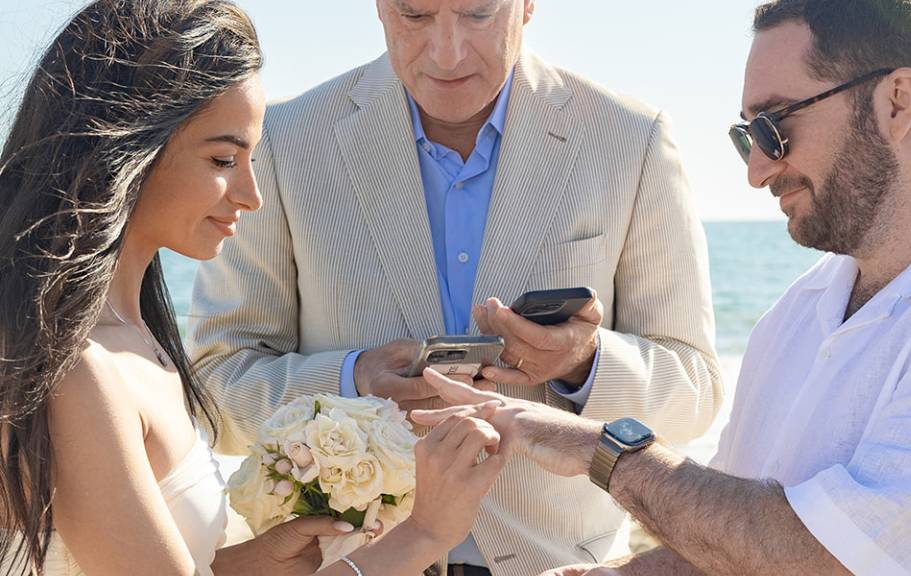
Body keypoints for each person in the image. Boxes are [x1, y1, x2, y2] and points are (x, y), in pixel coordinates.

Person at [412, 0, 911, 574]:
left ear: (896, 102)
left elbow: (833, 560)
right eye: (747, 137)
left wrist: (604, 451)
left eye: (775, 127)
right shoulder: (803, 306)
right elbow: (732, 542)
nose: (757, 170)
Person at [188, 0, 722, 573]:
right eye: (415, 16)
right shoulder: (282, 143)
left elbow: (696, 392)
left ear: (527, 7)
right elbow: (215, 392)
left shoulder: (631, 141)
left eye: (478, 14)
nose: (446, 53)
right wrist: (353, 381)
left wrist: (583, 362)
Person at [0, 1, 504, 575]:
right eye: (223, 158)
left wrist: (252, 563)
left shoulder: (136, 337)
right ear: (125, 148)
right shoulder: (81, 370)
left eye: (253, 159)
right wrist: (425, 533)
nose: (251, 194)